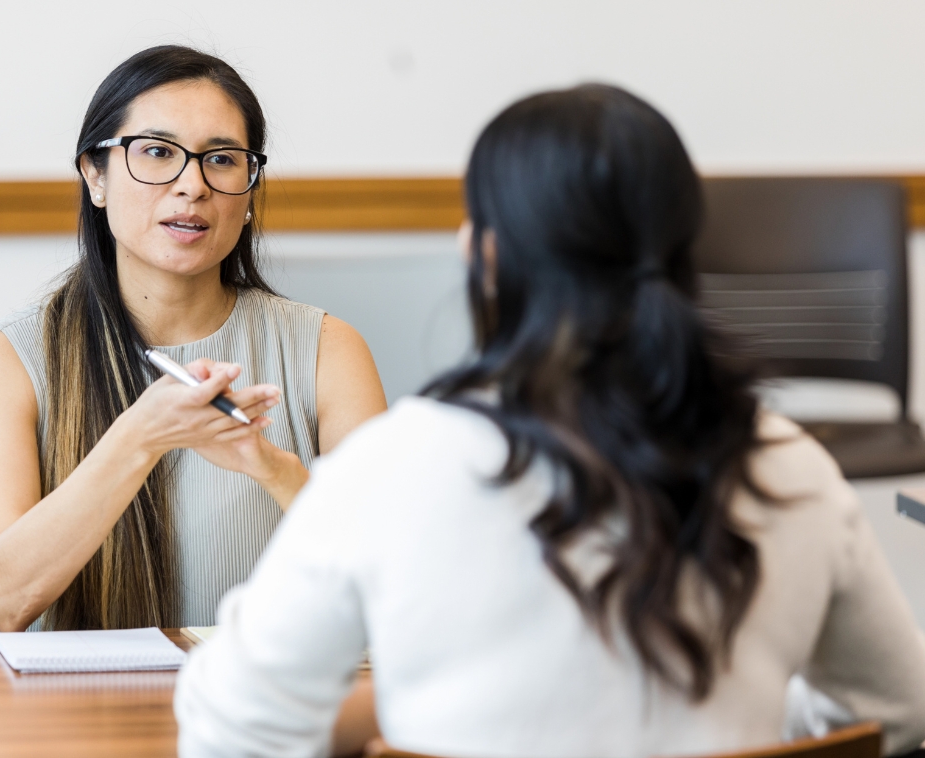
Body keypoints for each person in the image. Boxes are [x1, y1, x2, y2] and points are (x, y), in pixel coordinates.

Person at [174, 85, 925, 758]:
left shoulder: (399, 463)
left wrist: (398, 716)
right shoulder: (786, 463)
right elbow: (897, 710)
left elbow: (229, 728)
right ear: (688, 253)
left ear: (485, 255)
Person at [0, 45, 386, 633]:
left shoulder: (330, 349)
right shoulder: (8, 359)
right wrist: (141, 437)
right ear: (95, 176)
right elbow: (1, 600)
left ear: (248, 192)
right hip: (75, 721)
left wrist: (275, 470)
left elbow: (395, 583)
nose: (193, 185)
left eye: (221, 159)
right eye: (156, 151)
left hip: (263, 716)